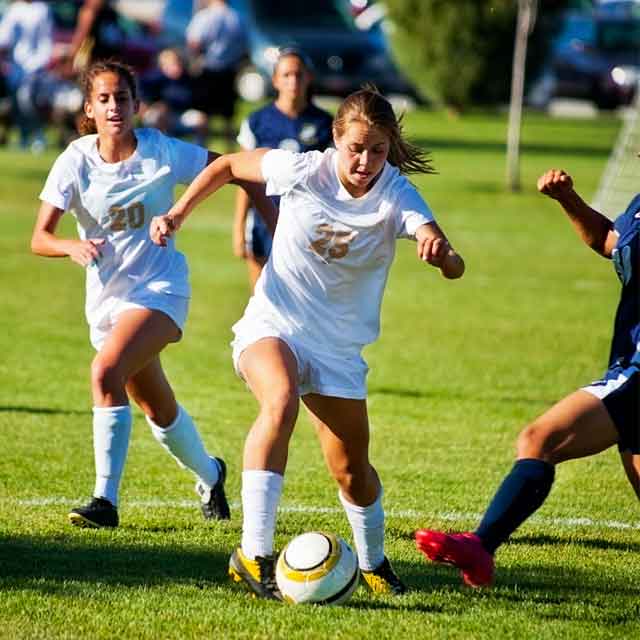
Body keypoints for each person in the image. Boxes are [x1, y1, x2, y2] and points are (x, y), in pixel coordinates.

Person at [150, 87, 465, 599]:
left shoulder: (397, 193)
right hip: (274, 324)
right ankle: (253, 555)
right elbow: (229, 164)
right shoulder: (303, 169)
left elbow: (454, 263)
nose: (365, 162)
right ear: (336, 139)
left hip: (338, 350)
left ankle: (374, 565)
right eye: (355, 148)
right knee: (279, 400)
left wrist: (440, 253)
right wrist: (179, 213)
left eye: (378, 150)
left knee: (352, 471)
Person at [30, 59, 275, 529]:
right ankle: (211, 474)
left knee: (106, 372)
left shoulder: (162, 151)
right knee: (157, 408)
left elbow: (233, 168)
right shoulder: (75, 160)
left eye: (121, 97)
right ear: (89, 108)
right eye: (103, 99)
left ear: (137, 105)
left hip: (160, 291)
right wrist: (70, 246)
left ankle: (105, 500)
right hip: (107, 302)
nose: (114, 106)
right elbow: (40, 237)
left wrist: (273, 220)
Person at [415, 168, 639, 587]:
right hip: (626, 362)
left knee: (540, 440)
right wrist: (568, 199)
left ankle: (480, 547)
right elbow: (610, 242)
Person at [233, 47, 333, 291]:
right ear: (275, 79)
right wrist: (238, 227)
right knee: (262, 298)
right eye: (287, 75)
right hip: (263, 220)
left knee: (304, 297)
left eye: (299, 74)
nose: (293, 81)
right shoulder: (257, 121)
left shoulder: (325, 123)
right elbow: (243, 177)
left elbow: (333, 179)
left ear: (309, 77)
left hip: (308, 223)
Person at [186, 0, 247, 151]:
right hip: (229, 71)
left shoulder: (204, 16)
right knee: (228, 117)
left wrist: (194, 61)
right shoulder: (238, 17)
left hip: (207, 70)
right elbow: (244, 46)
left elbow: (194, 43)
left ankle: (200, 149)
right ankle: (230, 151)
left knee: (203, 114)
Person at [0, 0, 53, 151]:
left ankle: (38, 134)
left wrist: (39, 62)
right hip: (15, 66)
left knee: (26, 100)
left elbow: (45, 39)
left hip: (34, 64)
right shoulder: (14, 9)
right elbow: (4, 38)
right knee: (16, 104)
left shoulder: (42, 9)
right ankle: (24, 137)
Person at [139, 48, 209, 146]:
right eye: (171, 63)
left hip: (180, 115)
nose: (176, 66)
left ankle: (199, 151)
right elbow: (142, 103)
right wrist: (157, 107)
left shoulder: (187, 79)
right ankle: (162, 149)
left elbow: (194, 101)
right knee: (157, 115)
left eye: (177, 62)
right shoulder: (152, 79)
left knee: (201, 119)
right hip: (158, 117)